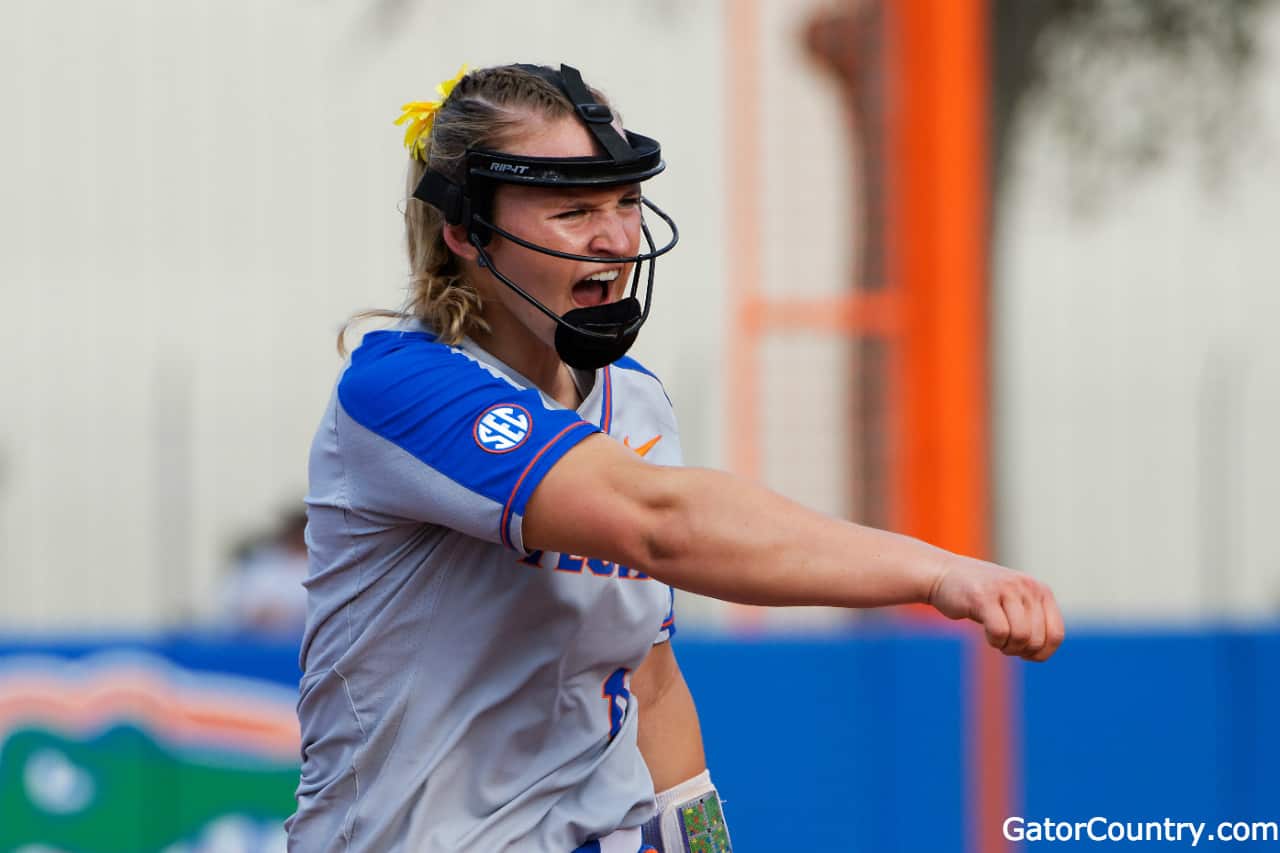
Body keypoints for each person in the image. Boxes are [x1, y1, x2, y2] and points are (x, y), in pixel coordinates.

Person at [286, 63, 1064, 853]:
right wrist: (936, 573)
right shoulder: (401, 388)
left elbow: (647, 682)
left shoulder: (634, 399)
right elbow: (663, 525)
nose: (615, 238)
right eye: (572, 209)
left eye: (625, 201)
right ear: (464, 232)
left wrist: (702, 842)